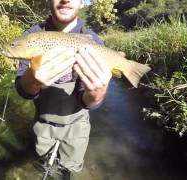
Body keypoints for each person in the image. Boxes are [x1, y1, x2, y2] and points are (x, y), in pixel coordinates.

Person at [15, 0, 112, 178]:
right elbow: (23, 89)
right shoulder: (32, 36)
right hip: (43, 124)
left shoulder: (94, 41)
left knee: (69, 172)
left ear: (82, 3)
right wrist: (32, 79)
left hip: (77, 125)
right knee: (44, 166)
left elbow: (88, 101)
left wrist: (96, 94)